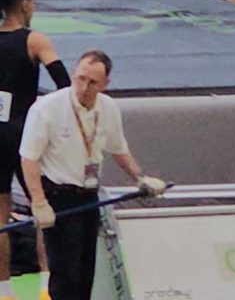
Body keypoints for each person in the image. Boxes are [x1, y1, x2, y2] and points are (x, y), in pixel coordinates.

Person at [19, 50, 166, 300]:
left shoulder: (107, 108)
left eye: (92, 82)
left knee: (85, 272)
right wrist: (39, 202)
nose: (83, 87)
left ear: (105, 85)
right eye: (80, 78)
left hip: (88, 197)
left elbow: (118, 149)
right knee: (66, 276)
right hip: (59, 196)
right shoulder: (47, 108)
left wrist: (140, 178)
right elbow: (29, 157)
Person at [0, 0, 70, 300]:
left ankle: (4, 290)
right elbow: (64, 84)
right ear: (26, 3)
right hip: (25, 135)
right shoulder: (35, 40)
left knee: (0, 214)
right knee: (42, 206)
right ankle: (45, 285)